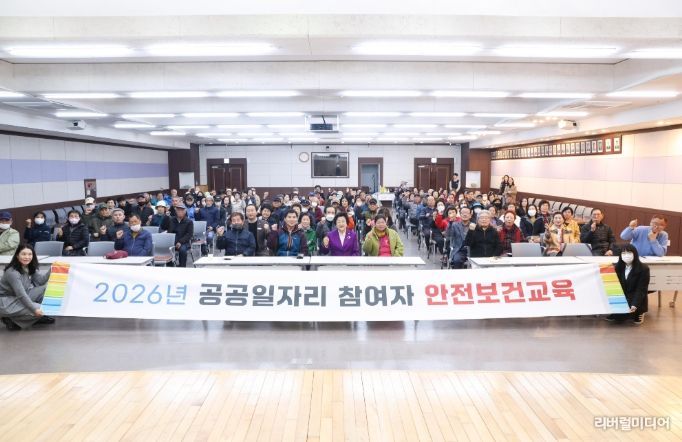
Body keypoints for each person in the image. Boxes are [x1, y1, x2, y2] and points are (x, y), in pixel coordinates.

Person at [0, 244, 54, 331]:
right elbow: (21, 295)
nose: (27, 257)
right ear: (17, 256)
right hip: (6, 302)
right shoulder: (12, 272)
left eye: (30, 254)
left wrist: (52, 269)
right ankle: (14, 320)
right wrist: (34, 310)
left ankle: (34, 317)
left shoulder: (28, 267)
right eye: (23, 254)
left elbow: (41, 281)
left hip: (18, 296)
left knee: (46, 289)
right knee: (41, 309)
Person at [605, 244, 649, 325]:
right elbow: (615, 286)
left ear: (635, 254)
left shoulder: (643, 269)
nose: (626, 255)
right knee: (619, 319)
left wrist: (635, 304)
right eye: (623, 253)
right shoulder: (618, 267)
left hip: (635, 296)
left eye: (629, 253)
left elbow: (641, 289)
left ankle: (639, 312)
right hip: (624, 296)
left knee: (633, 314)